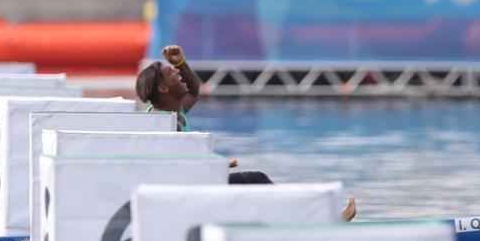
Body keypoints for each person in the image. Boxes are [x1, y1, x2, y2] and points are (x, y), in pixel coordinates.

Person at [136, 45, 356, 221]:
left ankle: (308, 220)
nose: (177, 72)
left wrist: (181, 63)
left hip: (197, 181)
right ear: (163, 88)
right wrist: (217, 166)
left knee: (258, 184)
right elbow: (170, 169)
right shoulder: (161, 124)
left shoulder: (175, 109)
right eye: (171, 72)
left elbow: (194, 89)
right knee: (257, 180)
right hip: (185, 191)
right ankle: (317, 222)